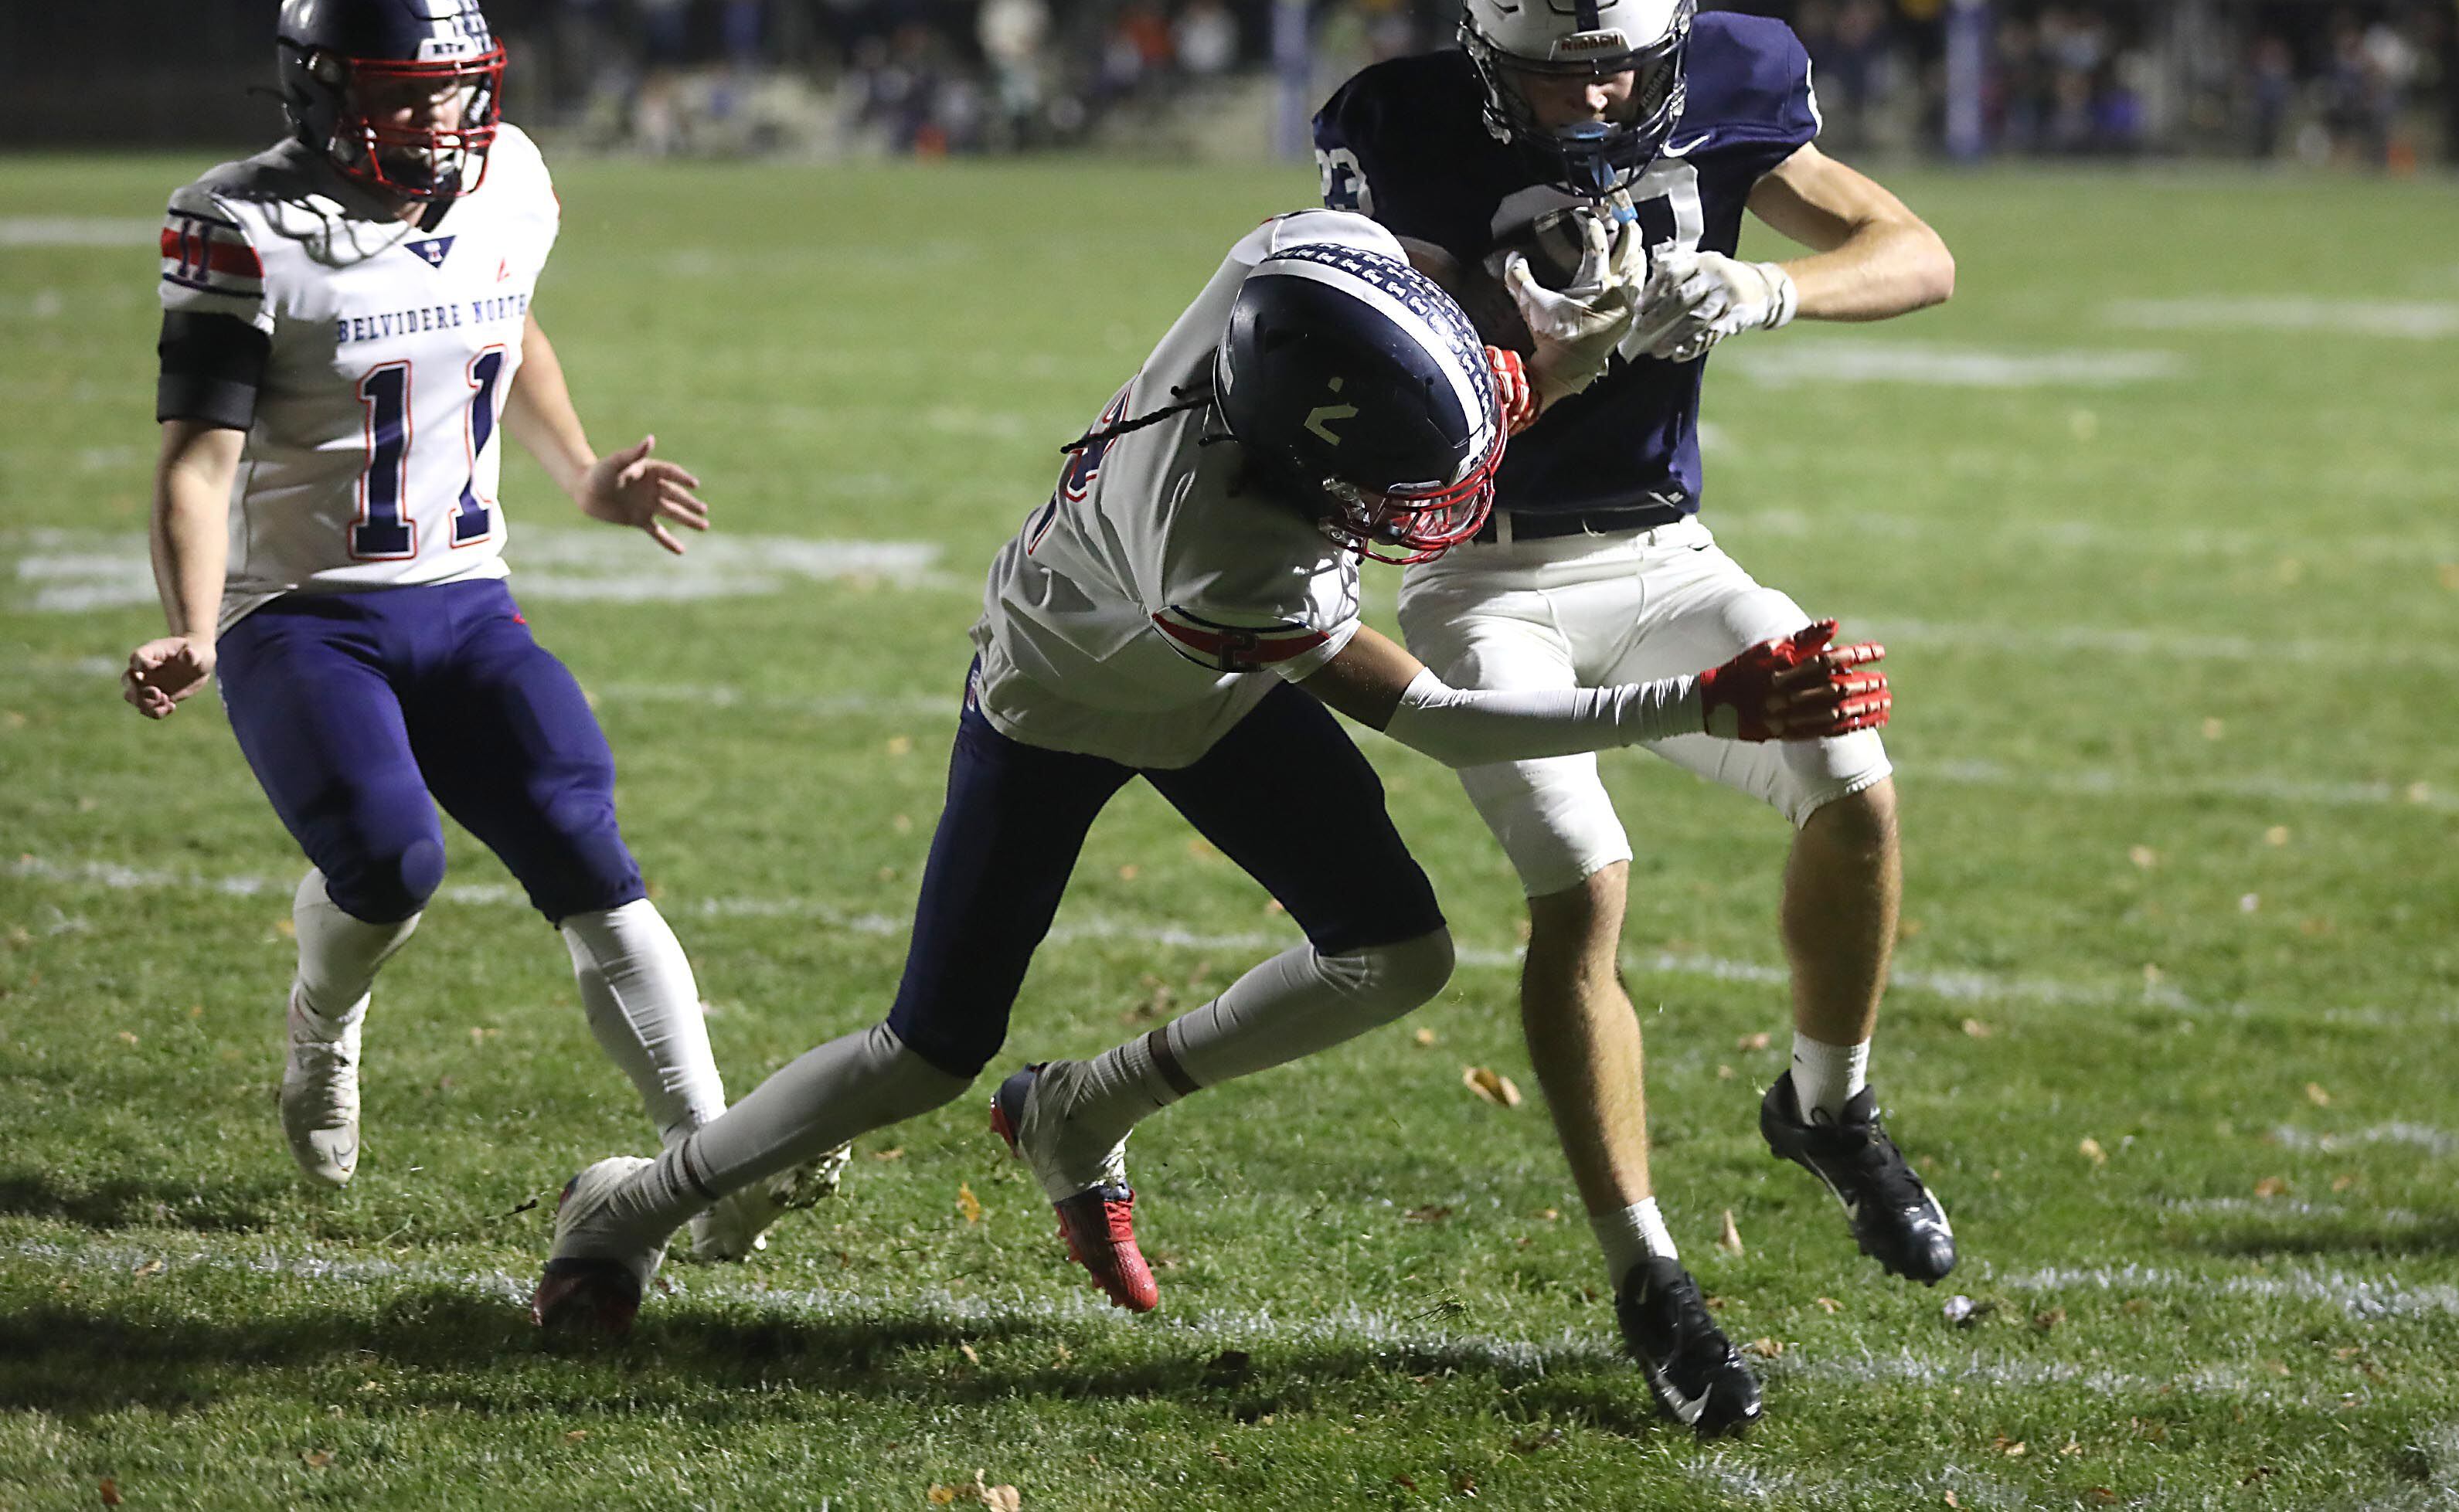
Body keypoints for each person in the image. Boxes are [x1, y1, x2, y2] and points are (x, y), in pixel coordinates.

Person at [535, 213, 1889, 1441]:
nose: (1402, 513)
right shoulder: (1230, 551)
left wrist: (1542, 317)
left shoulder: (1304, 261)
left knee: (1396, 954)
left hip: (1208, 690)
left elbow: (1409, 296)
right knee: (930, 1047)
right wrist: (1708, 702)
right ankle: (631, 1208)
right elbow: (1449, 720)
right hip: (1061, 699)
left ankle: (1084, 1108)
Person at [1311, 0, 1960, 1431]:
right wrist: (1532, 345)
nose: (1599, 93)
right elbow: (1369, 364)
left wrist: (1768, 284)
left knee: (1855, 783)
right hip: (1482, 580)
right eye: (1560, 69)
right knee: (1584, 885)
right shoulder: (1403, 131)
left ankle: (1830, 1103)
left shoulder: (1732, 78)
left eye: (1622, 63)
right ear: (1485, 59)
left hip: (1666, 553)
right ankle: (1649, 1270)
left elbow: (1917, 249)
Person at [121, 0, 829, 1261]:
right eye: (402, 90)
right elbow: (198, 458)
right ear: (324, 92)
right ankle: (322, 1025)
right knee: (392, 864)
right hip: (306, 608)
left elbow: (505, 321)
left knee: (582, 835)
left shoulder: (504, 179)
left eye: (454, 88)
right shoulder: (244, 224)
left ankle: (711, 1155)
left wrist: (583, 473)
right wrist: (197, 622)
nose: (439, 118)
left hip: (463, 595)